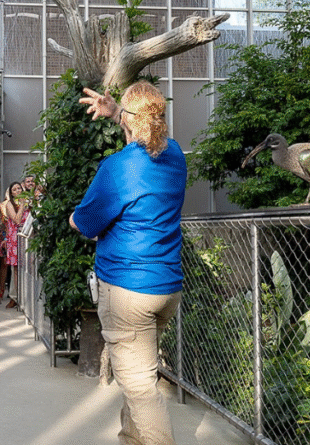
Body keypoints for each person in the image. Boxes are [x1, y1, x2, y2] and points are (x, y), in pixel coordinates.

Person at [70, 82, 186, 445]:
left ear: (130, 120)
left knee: (139, 389)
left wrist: (79, 218)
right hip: (166, 289)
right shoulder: (177, 155)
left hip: (127, 292)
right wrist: (119, 113)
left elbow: (82, 223)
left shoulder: (118, 167)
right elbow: (146, 133)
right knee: (137, 380)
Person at [0, 181, 29, 309]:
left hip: (27, 237)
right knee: (16, 269)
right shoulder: (9, 205)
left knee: (28, 267)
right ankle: (16, 297)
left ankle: (26, 297)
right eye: (14, 190)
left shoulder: (29, 203)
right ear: (11, 193)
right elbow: (16, 220)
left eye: (19, 188)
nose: (18, 191)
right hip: (15, 239)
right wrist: (22, 204)